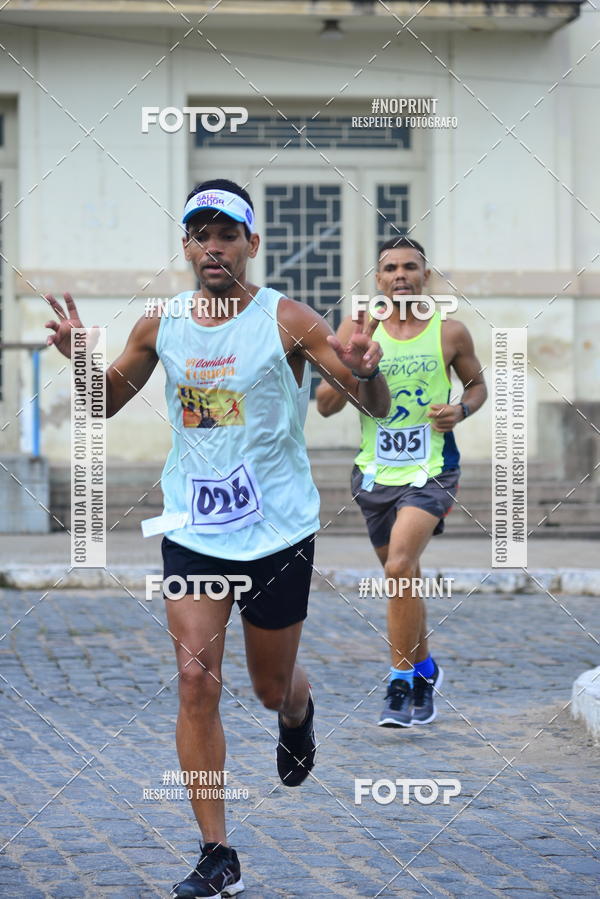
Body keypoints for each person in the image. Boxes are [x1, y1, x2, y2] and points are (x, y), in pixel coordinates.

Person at [44, 178, 390, 899]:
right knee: (197, 678)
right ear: (185, 246)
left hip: (277, 531)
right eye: (199, 233)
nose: (212, 246)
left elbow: (366, 402)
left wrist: (368, 369)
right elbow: (103, 404)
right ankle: (216, 851)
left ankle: (298, 710)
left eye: (226, 233)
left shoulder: (287, 318)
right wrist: (79, 358)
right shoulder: (160, 323)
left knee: (269, 688)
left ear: (251, 244)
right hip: (195, 528)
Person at [316, 236, 487, 729]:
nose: (400, 275)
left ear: (425, 277)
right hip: (374, 471)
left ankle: (398, 681)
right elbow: (326, 406)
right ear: (378, 278)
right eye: (390, 268)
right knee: (402, 581)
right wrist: (353, 366)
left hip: (432, 468)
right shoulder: (357, 329)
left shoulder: (449, 332)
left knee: (398, 565)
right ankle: (426, 670)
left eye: (410, 267)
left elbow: (477, 386)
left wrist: (461, 409)